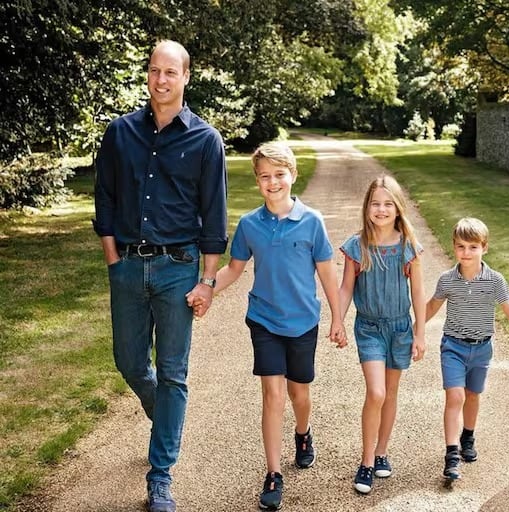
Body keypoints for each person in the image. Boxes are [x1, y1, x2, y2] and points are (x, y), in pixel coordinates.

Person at [92, 40, 227, 512]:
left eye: (171, 72)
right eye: (154, 71)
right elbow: (104, 200)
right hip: (127, 265)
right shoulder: (120, 132)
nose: (161, 80)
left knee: (173, 372)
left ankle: (161, 475)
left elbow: (214, 217)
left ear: (186, 77)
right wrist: (113, 260)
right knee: (129, 362)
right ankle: (164, 417)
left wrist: (207, 281)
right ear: (147, 75)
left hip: (178, 269)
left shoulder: (206, 140)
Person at [190, 141, 346, 511]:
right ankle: (274, 473)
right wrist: (206, 288)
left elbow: (327, 273)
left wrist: (338, 318)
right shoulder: (249, 225)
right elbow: (234, 269)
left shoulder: (312, 222)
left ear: (293, 175)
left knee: (299, 394)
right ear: (257, 181)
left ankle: (303, 433)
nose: (272, 182)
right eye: (264, 177)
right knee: (273, 396)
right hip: (264, 320)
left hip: (303, 321)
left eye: (279, 175)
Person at [425, 217, 509, 481]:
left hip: (482, 349)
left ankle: (468, 436)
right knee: (455, 397)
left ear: (484, 248)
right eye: (461, 247)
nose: (466, 253)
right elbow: (431, 307)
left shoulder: (495, 281)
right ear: (454, 247)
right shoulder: (447, 280)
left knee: (473, 395)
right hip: (452, 346)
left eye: (473, 247)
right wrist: (414, 328)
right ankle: (452, 454)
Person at [338, 175, 426, 494]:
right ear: (367, 207)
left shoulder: (407, 247)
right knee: (375, 393)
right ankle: (365, 462)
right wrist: (338, 319)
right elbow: (346, 287)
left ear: (398, 209)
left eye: (388, 204)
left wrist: (420, 333)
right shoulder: (357, 246)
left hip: (400, 328)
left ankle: (381, 452)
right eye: (375, 203)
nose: (381, 209)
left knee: (390, 392)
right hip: (370, 328)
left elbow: (417, 291)